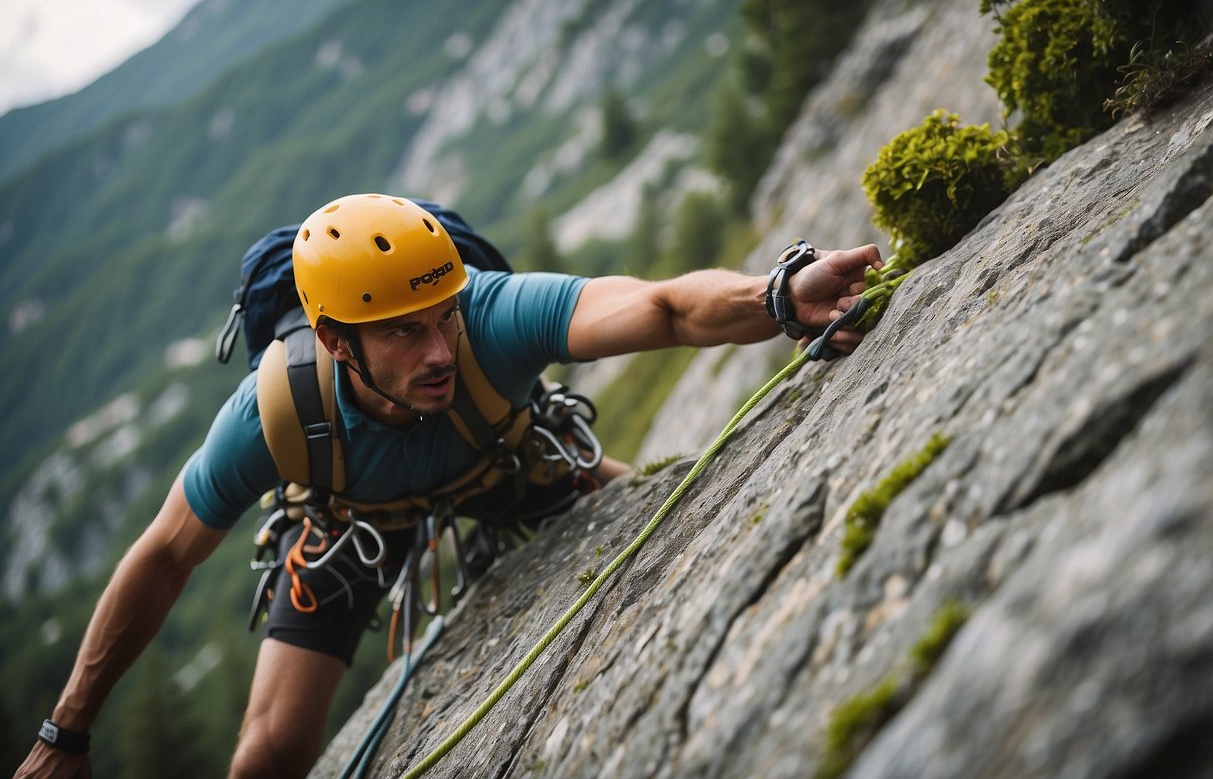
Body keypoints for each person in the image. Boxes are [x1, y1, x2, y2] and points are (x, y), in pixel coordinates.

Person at [17, 193, 882, 778]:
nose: (437, 353)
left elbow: (659, 306)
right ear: (333, 337)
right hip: (351, 517)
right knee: (265, 759)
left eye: (443, 319)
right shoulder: (273, 412)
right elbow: (165, 555)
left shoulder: (489, 316)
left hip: (502, 455)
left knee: (665, 504)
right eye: (401, 334)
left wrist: (774, 296)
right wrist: (68, 728)